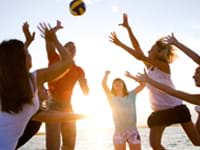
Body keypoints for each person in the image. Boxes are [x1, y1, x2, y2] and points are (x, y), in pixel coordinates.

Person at [109, 13, 200, 149]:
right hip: (159, 111)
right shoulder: (150, 68)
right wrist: (128, 29)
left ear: (157, 54)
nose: (148, 51)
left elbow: (139, 55)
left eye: (151, 50)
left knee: (197, 142)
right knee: (154, 144)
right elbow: (137, 47)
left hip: (176, 108)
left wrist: (121, 44)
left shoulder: (164, 67)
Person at [0, 21, 73, 149]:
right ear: (20, 60)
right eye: (27, 53)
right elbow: (67, 62)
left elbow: (7, 60)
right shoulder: (32, 81)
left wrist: (27, 42)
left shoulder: (7, 84)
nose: (30, 54)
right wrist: (54, 40)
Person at [41, 20, 89, 150]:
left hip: (68, 107)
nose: (72, 48)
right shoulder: (54, 59)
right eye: (69, 46)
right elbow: (49, 43)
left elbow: (86, 92)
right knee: (53, 147)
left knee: (69, 146)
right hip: (52, 106)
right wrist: (54, 30)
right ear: (63, 49)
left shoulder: (79, 70)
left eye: (74, 47)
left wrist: (85, 84)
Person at [102, 70, 145, 150]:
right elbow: (104, 85)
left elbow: (143, 84)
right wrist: (106, 74)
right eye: (115, 83)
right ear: (113, 86)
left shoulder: (131, 94)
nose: (117, 83)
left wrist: (131, 76)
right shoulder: (111, 98)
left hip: (133, 132)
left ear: (123, 85)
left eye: (119, 82)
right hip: (119, 133)